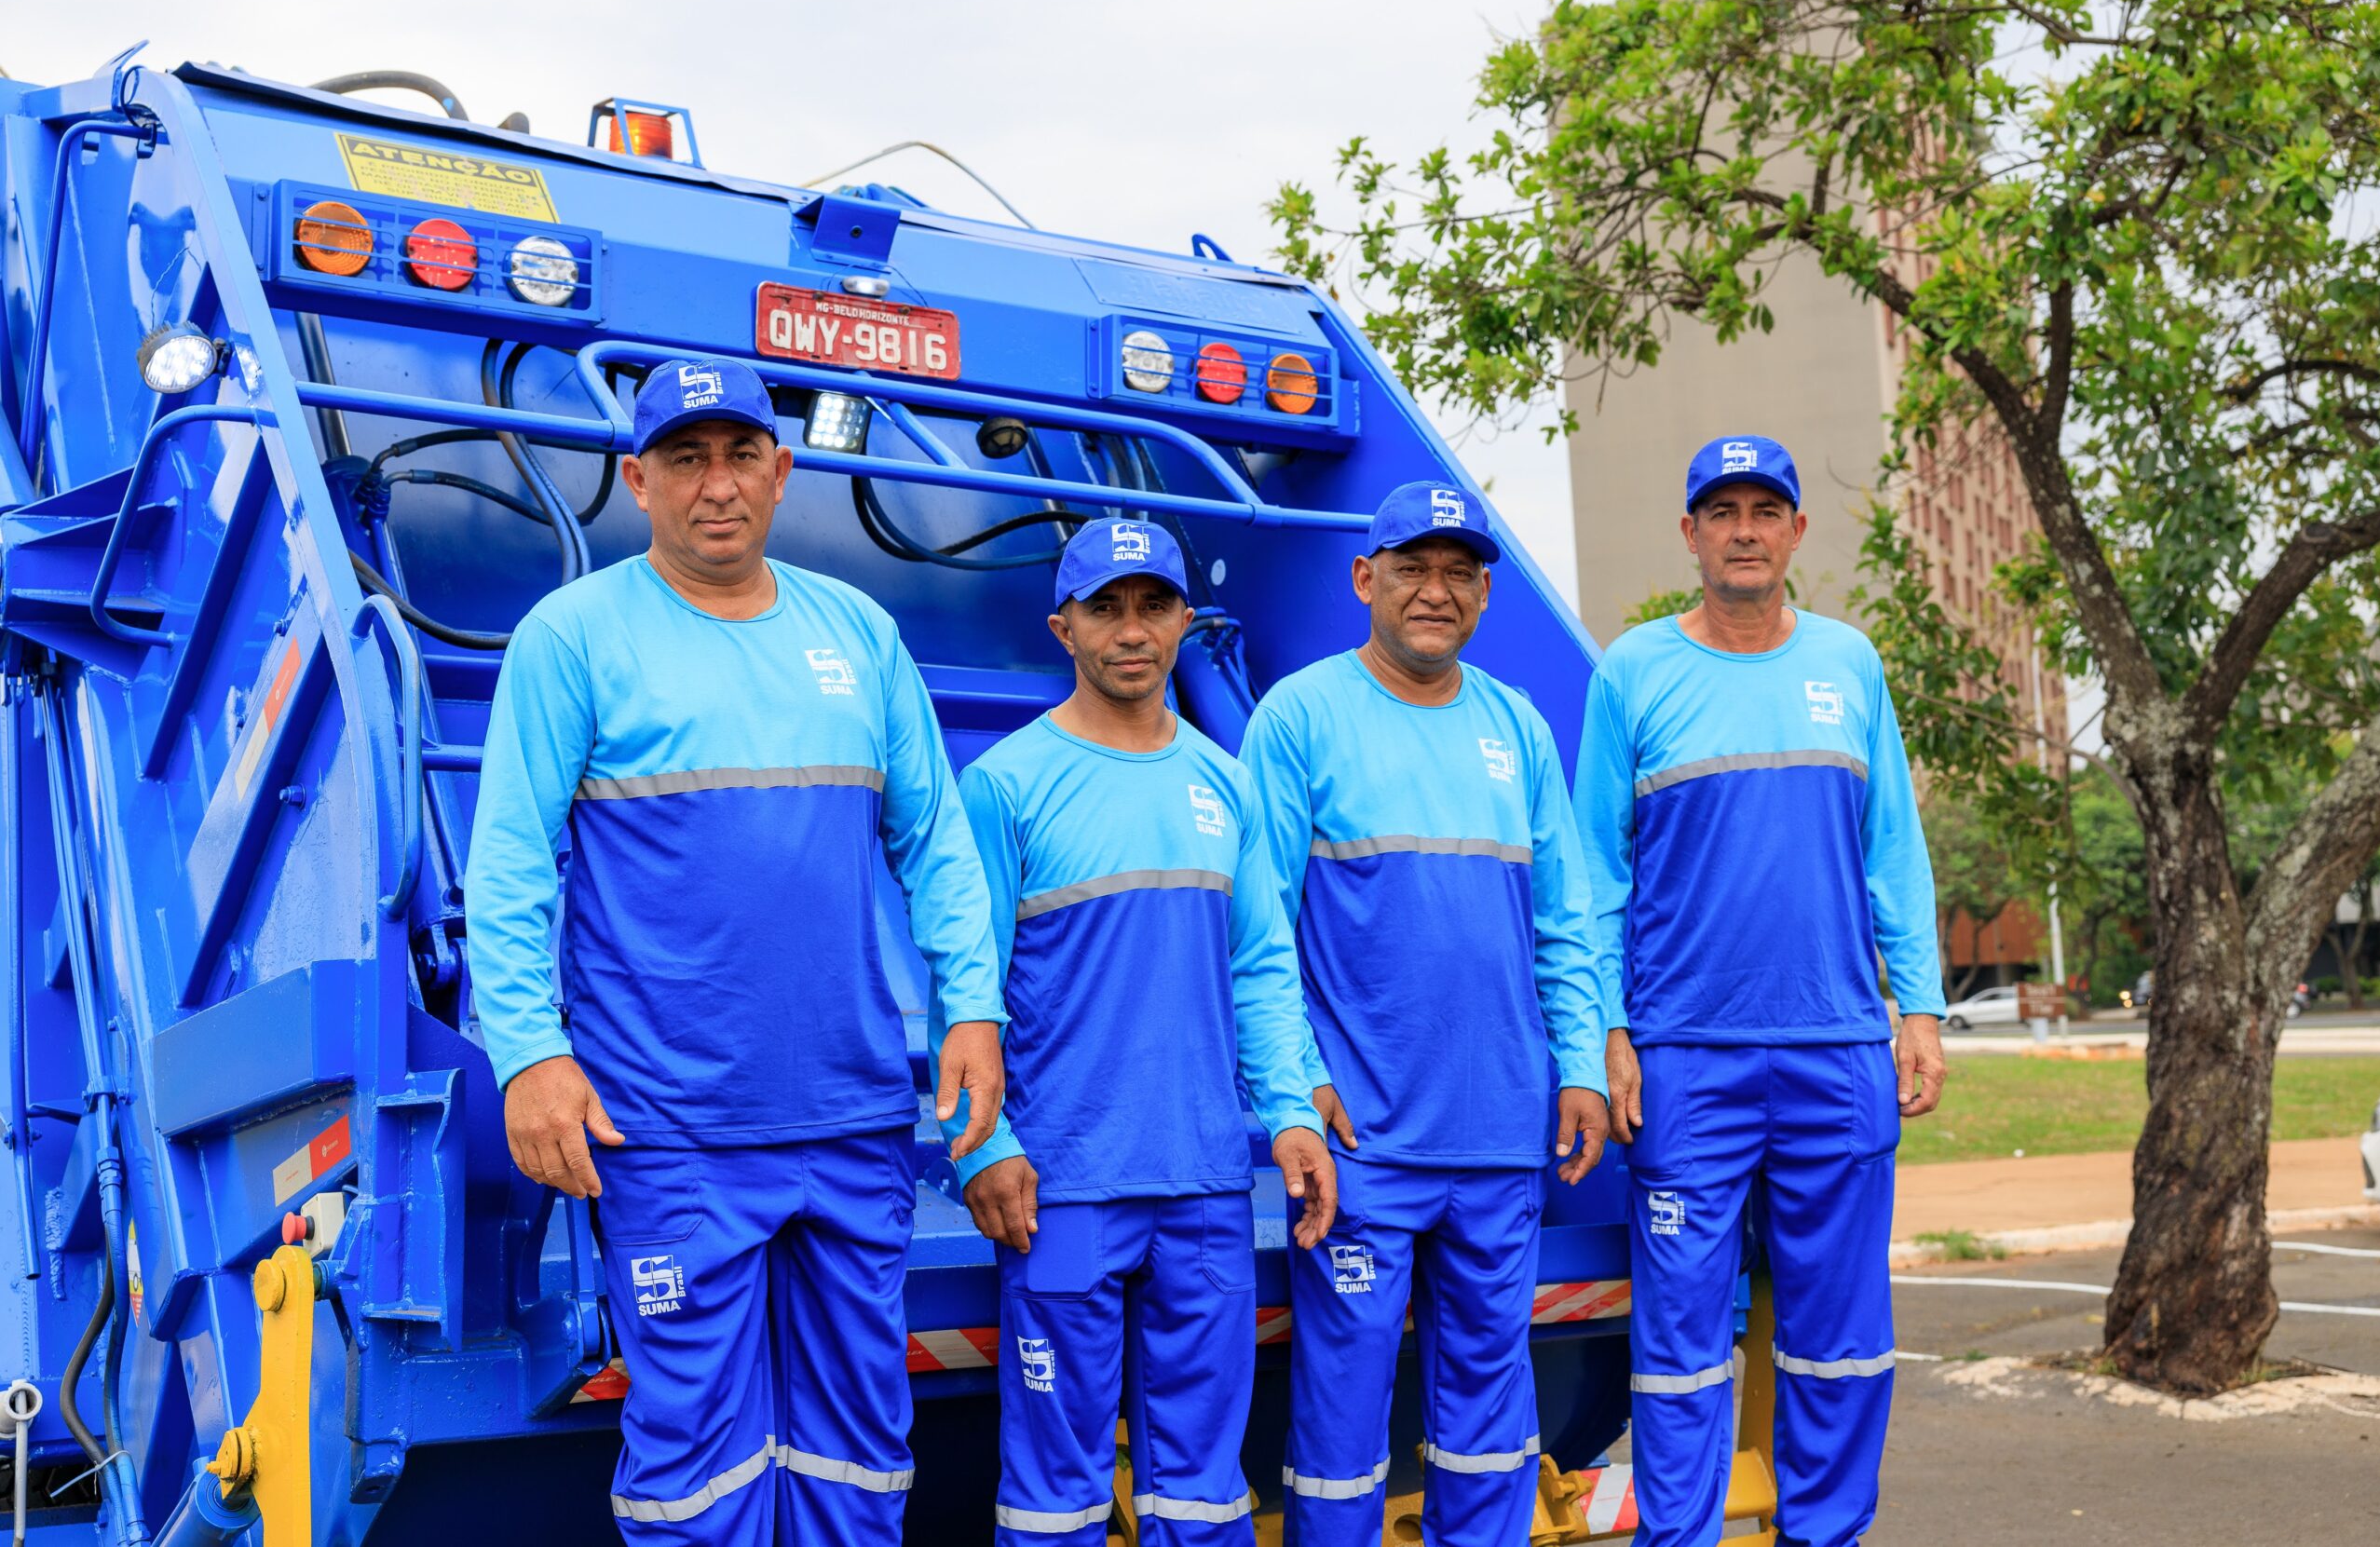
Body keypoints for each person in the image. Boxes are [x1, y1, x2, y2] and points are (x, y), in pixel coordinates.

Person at [466, 357, 1011, 1544]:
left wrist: (973, 1011)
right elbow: (509, 863)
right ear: (637, 480)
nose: (717, 485)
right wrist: (527, 1054)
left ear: (783, 469)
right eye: (684, 459)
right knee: (695, 1456)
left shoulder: (857, 633)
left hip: (851, 1119)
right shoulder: (573, 637)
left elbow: (937, 844)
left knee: (858, 1447)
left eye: (740, 455)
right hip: (670, 1130)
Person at [1573, 435, 1949, 1547]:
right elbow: (1595, 873)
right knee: (1683, 1344)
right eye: (1720, 510)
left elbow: (1894, 850)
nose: (1743, 528)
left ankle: (1824, 1532)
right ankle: (1679, 1536)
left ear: (1794, 529)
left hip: (1835, 1053)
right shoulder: (1633, 672)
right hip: (1687, 1059)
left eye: (1763, 509)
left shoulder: (1851, 664)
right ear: (1689, 533)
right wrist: (1608, 1026)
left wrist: (1916, 1008)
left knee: (1840, 1339)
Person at [947, 517, 1337, 1545]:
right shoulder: (1006, 786)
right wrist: (982, 1143)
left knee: (1203, 1493)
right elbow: (965, 986)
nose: (1132, 630)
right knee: (1053, 1495)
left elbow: (1259, 964)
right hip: (1064, 1188)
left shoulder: (1225, 782)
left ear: (1184, 620)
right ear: (1061, 627)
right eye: (1106, 608)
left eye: (1153, 605)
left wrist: (1290, 1112)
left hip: (1204, 1188)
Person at [1240, 480, 1611, 1547]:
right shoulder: (1300, 719)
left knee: (1490, 1419)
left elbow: (1563, 923)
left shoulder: (1517, 729)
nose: (1435, 591)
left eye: (1459, 572)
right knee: (1343, 1423)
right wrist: (1290, 1091)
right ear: (1367, 579)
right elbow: (1256, 931)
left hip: (1499, 1140)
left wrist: (1578, 1064)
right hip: (1367, 1150)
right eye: (1412, 567)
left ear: (1485, 596)